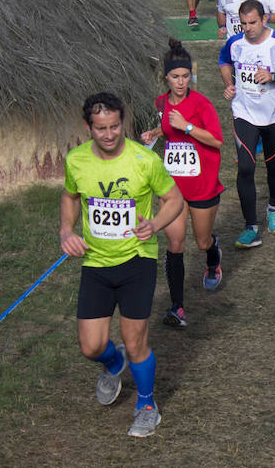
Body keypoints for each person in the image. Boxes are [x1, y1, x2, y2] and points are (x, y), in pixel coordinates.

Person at [60, 92, 184, 437]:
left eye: (115, 126)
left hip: (136, 260)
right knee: (90, 347)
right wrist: (66, 230)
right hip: (96, 263)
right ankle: (113, 364)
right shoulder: (76, 160)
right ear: (88, 127)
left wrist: (155, 225)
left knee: (136, 341)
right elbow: (70, 196)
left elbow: (174, 198)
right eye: (101, 128)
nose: (110, 134)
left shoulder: (144, 160)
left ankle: (146, 405)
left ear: (122, 123)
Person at [140, 40, 225, 324]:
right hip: (173, 189)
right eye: (175, 77)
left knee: (201, 241)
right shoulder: (161, 104)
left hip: (202, 185)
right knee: (175, 244)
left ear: (191, 76)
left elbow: (216, 140)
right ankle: (177, 307)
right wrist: (155, 133)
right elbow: (168, 128)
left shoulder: (202, 105)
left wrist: (187, 127)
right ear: (166, 77)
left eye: (185, 76)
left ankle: (213, 258)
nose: (181, 82)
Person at [219, 0, 275, 247]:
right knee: (245, 166)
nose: (248, 28)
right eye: (243, 23)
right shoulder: (235, 43)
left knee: (274, 165)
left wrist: (273, 77)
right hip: (244, 113)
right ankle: (250, 226)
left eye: (253, 23)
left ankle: (274, 206)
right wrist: (229, 84)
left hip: (274, 115)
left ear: (264, 19)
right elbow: (224, 60)